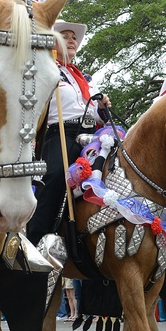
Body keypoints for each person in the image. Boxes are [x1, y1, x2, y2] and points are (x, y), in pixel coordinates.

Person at [26, 20, 110, 244]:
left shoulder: (85, 79)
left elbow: (94, 114)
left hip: (92, 138)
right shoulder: (44, 70)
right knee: (53, 177)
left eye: (74, 37)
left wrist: (102, 109)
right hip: (62, 134)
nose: (72, 40)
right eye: (65, 35)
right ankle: (34, 240)